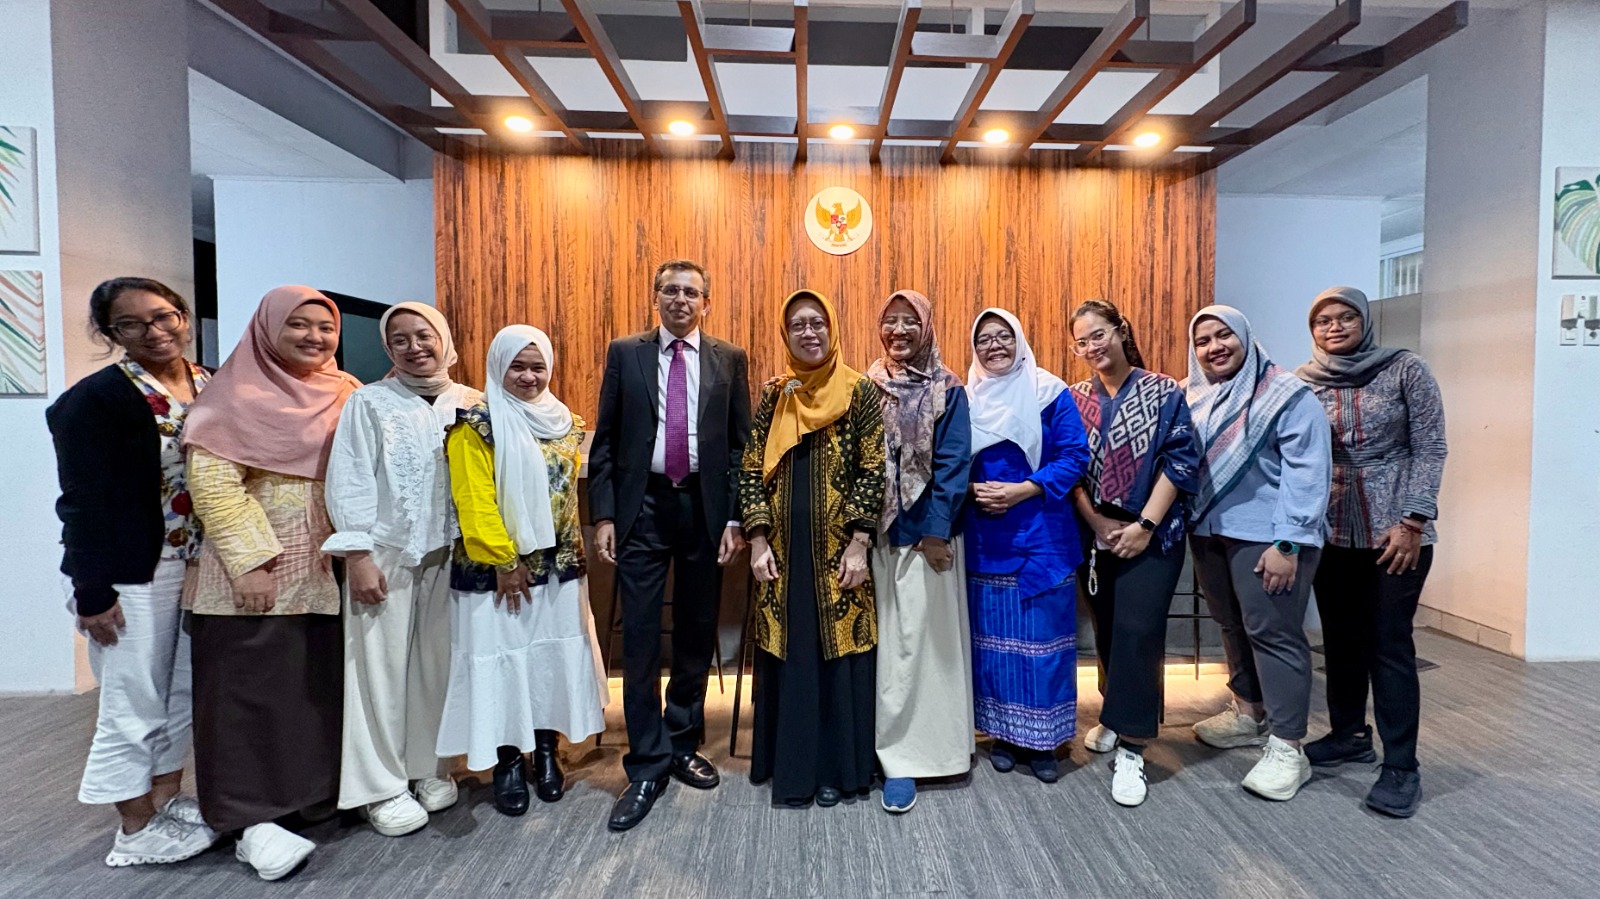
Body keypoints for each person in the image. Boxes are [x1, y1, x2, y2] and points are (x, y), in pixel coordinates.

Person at [182, 286, 360, 880]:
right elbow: (214, 485)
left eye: (324, 327)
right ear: (267, 330)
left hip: (328, 565)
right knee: (247, 691)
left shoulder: (345, 393)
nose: (314, 337)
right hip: (256, 570)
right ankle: (248, 816)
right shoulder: (231, 397)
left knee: (311, 686)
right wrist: (251, 563)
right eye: (299, 326)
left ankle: (311, 799)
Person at [46, 278, 218, 867]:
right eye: (133, 324)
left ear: (184, 317)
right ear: (109, 333)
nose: (155, 331)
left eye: (166, 316)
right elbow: (81, 500)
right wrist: (91, 592)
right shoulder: (94, 400)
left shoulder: (209, 381)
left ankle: (167, 801)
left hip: (197, 563)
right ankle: (134, 827)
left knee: (178, 691)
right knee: (131, 696)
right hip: (132, 571)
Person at [588, 260, 751, 832]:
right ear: (655, 296)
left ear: (707, 301)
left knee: (695, 628)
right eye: (670, 290)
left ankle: (683, 740)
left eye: (692, 292)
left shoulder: (729, 359)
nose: (681, 299)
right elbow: (604, 439)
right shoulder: (625, 352)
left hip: (704, 511)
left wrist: (734, 517)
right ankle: (648, 761)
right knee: (637, 638)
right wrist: (604, 514)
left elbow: (740, 448)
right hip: (644, 507)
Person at [323, 302, 483, 835]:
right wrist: (359, 557)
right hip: (384, 552)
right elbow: (348, 480)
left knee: (437, 666)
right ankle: (380, 786)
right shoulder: (368, 403)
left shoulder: (473, 402)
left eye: (424, 336)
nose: (414, 347)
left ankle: (429, 766)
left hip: (450, 552)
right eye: (400, 340)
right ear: (387, 349)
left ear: (444, 339)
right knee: (377, 669)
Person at [436, 325, 609, 817]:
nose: (529, 376)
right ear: (497, 366)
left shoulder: (565, 423)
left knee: (546, 664)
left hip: (559, 570)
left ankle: (547, 751)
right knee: (504, 663)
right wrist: (505, 562)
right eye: (518, 366)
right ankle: (508, 761)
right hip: (497, 574)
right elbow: (473, 500)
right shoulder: (475, 424)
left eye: (538, 367)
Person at [1295, 286, 1447, 818]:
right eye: (1323, 321)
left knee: (1388, 642)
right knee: (1339, 639)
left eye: (1345, 317)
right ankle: (1348, 734)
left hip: (1395, 534)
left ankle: (1402, 766)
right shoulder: (1302, 382)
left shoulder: (1406, 369)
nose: (1334, 328)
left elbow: (1430, 446)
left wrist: (1413, 520)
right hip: (1332, 527)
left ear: (1365, 320)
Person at [741, 289, 886, 807]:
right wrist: (757, 537)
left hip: (836, 553)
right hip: (781, 555)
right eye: (798, 325)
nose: (808, 333)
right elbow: (751, 468)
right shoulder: (776, 394)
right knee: (794, 653)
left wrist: (859, 542)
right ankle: (793, 768)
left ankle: (837, 771)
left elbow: (874, 467)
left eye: (817, 323)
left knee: (837, 655)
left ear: (832, 328)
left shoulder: (859, 390)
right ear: (786, 334)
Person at [1185, 304, 1331, 803]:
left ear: (1246, 337)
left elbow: (1308, 472)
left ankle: (1289, 746)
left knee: (1275, 634)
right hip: (1210, 533)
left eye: (1223, 335)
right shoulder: (1196, 398)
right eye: (1203, 340)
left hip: (1270, 538)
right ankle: (1248, 711)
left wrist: (1288, 543)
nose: (1214, 347)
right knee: (1231, 625)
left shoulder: (1286, 396)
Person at [1067, 299, 1200, 808]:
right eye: (1082, 341)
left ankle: (1133, 746)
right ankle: (1113, 711)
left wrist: (1144, 524)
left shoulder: (1164, 390)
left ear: (1121, 330)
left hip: (1153, 532)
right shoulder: (1073, 397)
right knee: (1106, 627)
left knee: (1139, 632)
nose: (1092, 347)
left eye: (1099, 335)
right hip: (1094, 533)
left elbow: (1182, 461)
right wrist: (1097, 523)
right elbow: (1070, 466)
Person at [961, 308, 1089, 783]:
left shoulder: (1048, 391)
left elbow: (1075, 455)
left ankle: (1044, 742)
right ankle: (1001, 734)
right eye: (984, 339)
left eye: (1002, 337)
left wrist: (1025, 489)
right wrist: (970, 491)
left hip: (1041, 535)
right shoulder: (967, 396)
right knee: (994, 644)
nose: (994, 346)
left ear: (1019, 339)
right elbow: (953, 461)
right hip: (985, 537)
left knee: (1042, 643)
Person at [865, 289, 973, 814]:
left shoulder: (949, 389)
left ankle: (918, 756)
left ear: (927, 327)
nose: (900, 331)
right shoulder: (867, 384)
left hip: (927, 540)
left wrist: (934, 530)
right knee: (888, 656)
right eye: (891, 321)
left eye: (911, 321)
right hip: (875, 539)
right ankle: (887, 752)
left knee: (924, 654)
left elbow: (953, 464)